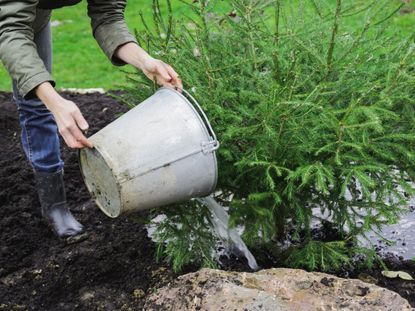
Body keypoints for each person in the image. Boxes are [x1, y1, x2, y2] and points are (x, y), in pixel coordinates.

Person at [0, 0, 182, 238]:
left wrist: (144, 61)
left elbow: (107, 17)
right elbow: (11, 30)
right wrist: (55, 102)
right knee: (43, 96)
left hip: (27, 17)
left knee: (36, 101)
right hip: (12, 24)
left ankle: (54, 206)